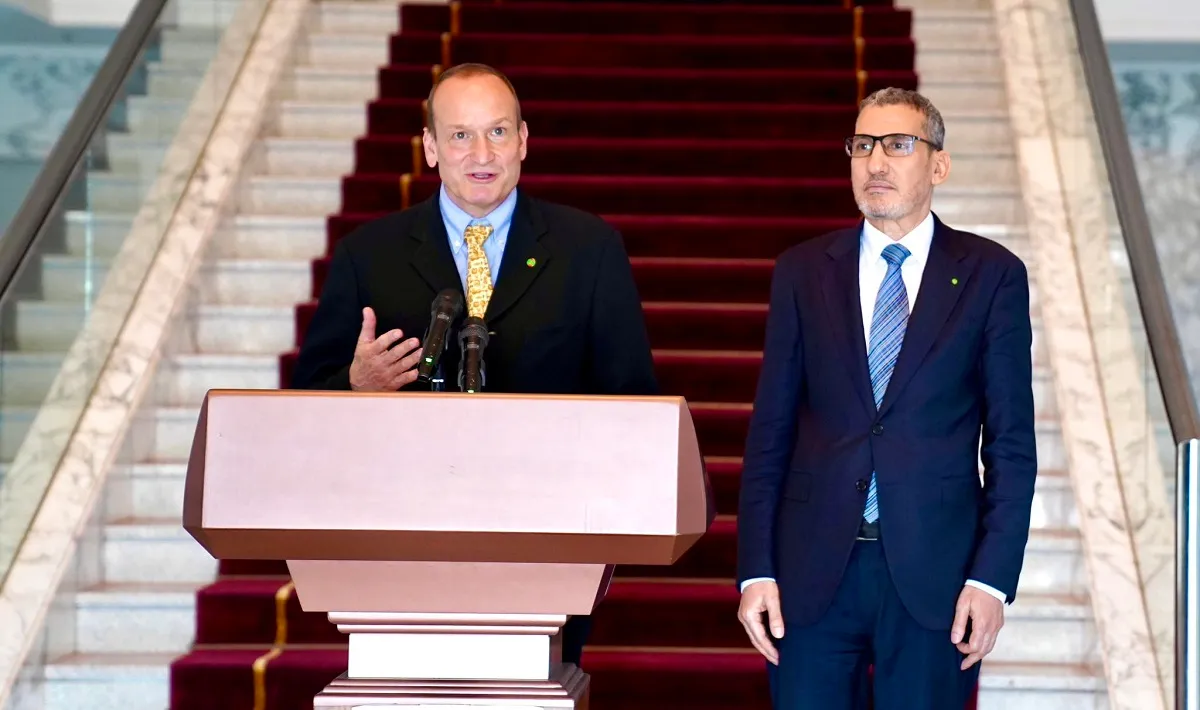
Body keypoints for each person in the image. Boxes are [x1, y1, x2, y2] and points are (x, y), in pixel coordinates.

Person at [288, 62, 659, 667]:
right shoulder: (369, 255)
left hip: (548, 540)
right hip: (402, 540)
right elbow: (302, 406)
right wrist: (356, 385)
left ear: (523, 141)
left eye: (497, 132)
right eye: (460, 135)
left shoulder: (587, 249)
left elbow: (632, 400)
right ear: (431, 147)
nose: (481, 154)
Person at [735, 87, 1037, 709]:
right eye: (862, 145)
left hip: (937, 577)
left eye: (899, 145)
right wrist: (756, 569)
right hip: (811, 571)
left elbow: (1011, 444)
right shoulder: (803, 270)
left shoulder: (992, 274)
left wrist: (991, 580)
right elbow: (771, 431)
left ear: (938, 165)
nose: (876, 162)